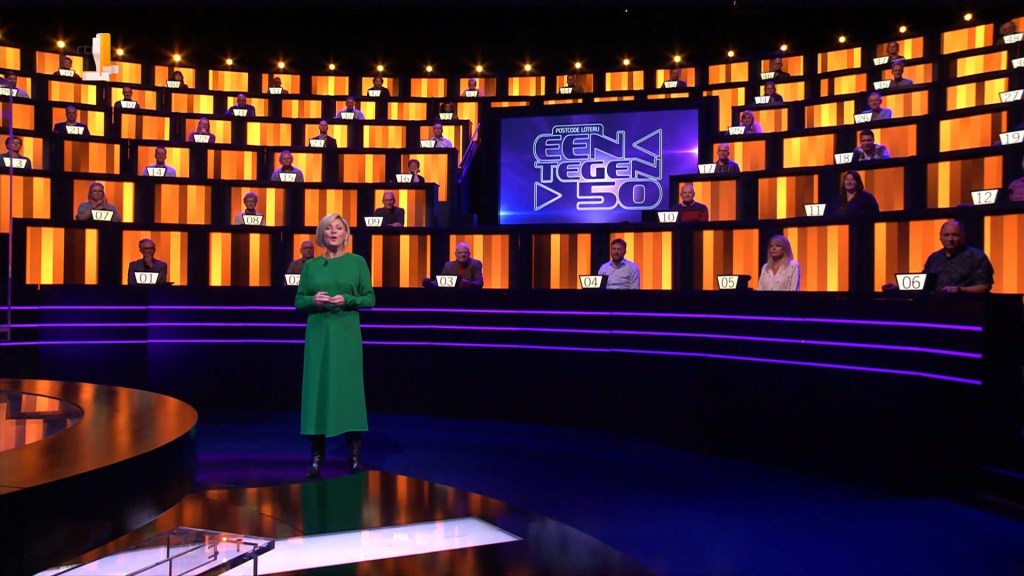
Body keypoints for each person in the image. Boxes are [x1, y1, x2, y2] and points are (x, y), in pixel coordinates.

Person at [295, 214, 375, 476]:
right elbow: (298, 301)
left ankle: (355, 458)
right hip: (318, 334)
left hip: (346, 334)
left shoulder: (357, 262)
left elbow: (370, 299)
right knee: (316, 392)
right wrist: (312, 300)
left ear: (346, 234)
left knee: (349, 392)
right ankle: (317, 458)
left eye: (338, 228)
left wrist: (348, 299)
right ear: (321, 234)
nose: (333, 232)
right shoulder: (310, 266)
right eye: (328, 228)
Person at [882, 220, 994, 293]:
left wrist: (959, 290)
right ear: (940, 237)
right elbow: (923, 285)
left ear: (963, 236)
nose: (950, 239)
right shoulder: (934, 257)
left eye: (955, 235)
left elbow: (985, 286)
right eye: (946, 235)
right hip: (933, 308)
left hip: (966, 310)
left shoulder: (977, 257)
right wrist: (898, 288)